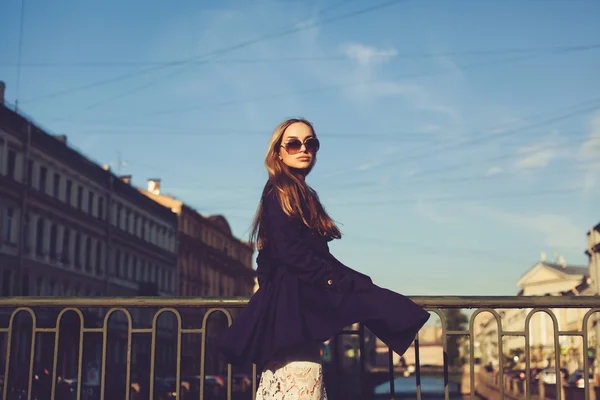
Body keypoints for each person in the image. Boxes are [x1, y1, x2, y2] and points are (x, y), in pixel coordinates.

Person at [217, 118, 430, 399]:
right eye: (293, 144)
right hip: (293, 313)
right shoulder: (279, 190)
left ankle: (399, 320)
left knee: (365, 292)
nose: (303, 149)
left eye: (311, 143)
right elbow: (289, 253)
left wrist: (345, 281)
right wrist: (332, 280)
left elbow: (268, 258)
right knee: (302, 382)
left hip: (293, 312)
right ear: (278, 152)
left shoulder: (296, 191)